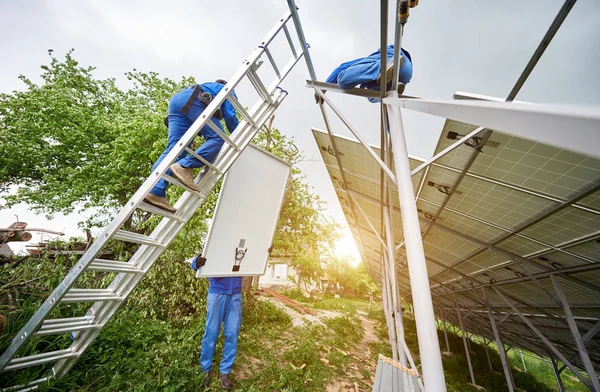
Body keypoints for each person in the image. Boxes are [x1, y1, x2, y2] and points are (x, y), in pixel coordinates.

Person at [144, 80, 239, 213]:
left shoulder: (209, 86)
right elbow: (230, 115)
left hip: (177, 102)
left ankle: (155, 190)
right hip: (195, 100)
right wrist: (237, 136)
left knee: (175, 149)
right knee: (219, 137)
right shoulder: (228, 89)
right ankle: (184, 166)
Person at [190, 255, 243, 390]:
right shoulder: (217, 237)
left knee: (232, 333)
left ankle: (225, 372)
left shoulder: (242, 242)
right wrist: (196, 262)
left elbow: (254, 260)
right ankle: (205, 369)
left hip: (235, 294)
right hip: (217, 293)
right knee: (212, 332)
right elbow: (195, 262)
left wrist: (265, 251)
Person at [320, 45, 413, 103]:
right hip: (405, 74)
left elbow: (342, 67)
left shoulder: (365, 62)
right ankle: (391, 90)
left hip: (396, 58)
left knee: (341, 79)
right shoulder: (370, 84)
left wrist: (323, 89)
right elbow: (388, 107)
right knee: (372, 96)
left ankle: (387, 65)